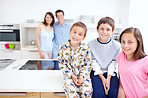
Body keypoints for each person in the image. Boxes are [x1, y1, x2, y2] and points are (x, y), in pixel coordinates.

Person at [88, 17, 120, 98]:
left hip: (111, 73)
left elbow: (113, 63)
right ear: (97, 29)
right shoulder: (90, 44)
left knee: (113, 93)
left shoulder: (117, 46)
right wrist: (103, 79)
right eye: (102, 28)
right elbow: (93, 62)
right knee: (98, 93)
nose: (104, 32)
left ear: (112, 31)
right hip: (96, 73)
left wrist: (108, 78)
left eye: (108, 29)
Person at [58, 22, 93, 98]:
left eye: (80, 34)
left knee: (87, 92)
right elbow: (62, 64)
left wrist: (82, 76)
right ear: (70, 32)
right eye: (74, 32)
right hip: (69, 75)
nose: (76, 36)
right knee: (71, 94)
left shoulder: (86, 48)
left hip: (83, 75)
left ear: (83, 37)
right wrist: (71, 75)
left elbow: (88, 64)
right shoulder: (62, 48)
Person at [117, 27, 148, 98]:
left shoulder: (145, 61)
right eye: (123, 41)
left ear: (138, 42)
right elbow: (121, 78)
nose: (125, 46)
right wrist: (120, 92)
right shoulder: (120, 56)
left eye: (130, 42)